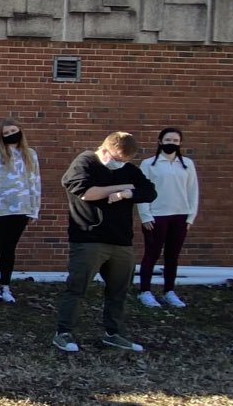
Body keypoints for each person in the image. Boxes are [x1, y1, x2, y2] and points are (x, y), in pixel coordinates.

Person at [52, 132, 156, 353]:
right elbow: (85, 193)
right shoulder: (86, 162)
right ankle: (64, 333)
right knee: (77, 287)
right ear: (105, 149)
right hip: (89, 238)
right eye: (118, 158)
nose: (120, 164)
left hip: (121, 240)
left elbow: (149, 191)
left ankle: (114, 333)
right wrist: (119, 189)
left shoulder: (129, 170)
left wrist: (128, 193)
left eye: (126, 161)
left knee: (119, 290)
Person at [0, 119, 41, 304]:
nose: (10, 134)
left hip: (21, 208)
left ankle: (5, 286)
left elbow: (35, 181)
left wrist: (34, 209)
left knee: (9, 249)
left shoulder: (30, 154)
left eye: (13, 130)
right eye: (6, 133)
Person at [137, 128, 200, 309]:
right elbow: (142, 190)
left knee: (172, 255)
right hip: (156, 216)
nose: (171, 142)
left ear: (180, 143)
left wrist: (190, 217)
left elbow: (193, 191)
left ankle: (169, 291)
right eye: (168, 139)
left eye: (175, 140)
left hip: (180, 216)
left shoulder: (187, 164)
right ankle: (145, 291)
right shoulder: (149, 164)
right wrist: (145, 215)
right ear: (160, 141)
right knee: (152, 254)